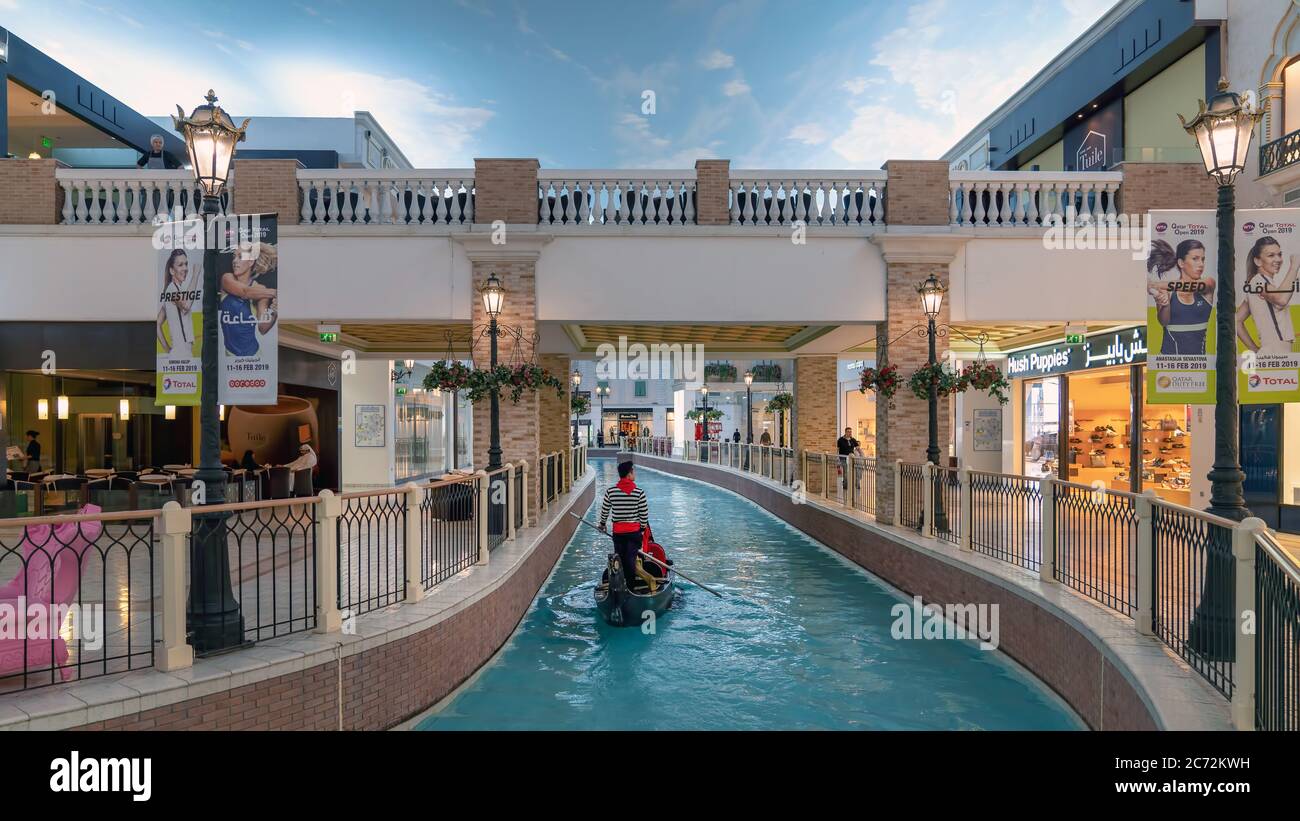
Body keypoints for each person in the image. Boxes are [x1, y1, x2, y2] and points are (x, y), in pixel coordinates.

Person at [597, 457, 654, 591]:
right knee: (631, 561)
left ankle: (621, 588)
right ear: (629, 474)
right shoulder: (639, 493)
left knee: (620, 560)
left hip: (618, 533)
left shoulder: (611, 492)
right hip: (634, 533)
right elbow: (644, 515)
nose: (635, 474)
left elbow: (605, 510)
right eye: (633, 472)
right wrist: (641, 530)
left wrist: (602, 524)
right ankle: (631, 588)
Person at [1237, 236, 1300, 357]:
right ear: (1258, 261)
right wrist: (1294, 266)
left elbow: (1237, 320)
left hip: (1273, 353)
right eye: (1271, 255)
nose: (1278, 259)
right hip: (1276, 352)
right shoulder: (1258, 282)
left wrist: (1255, 350)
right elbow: (1282, 299)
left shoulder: (1260, 283)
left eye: (1279, 254)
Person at [1148, 239, 1212, 355]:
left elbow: (1190, 286)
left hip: (1199, 364)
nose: (1201, 264)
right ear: (1181, 263)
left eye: (1203, 259)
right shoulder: (1166, 291)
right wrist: (1165, 305)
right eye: (1195, 259)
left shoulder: (1209, 283)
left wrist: (1156, 285)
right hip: (1170, 362)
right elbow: (1163, 322)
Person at [219, 244, 279, 356]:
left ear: (251, 262)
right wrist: (275, 293)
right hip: (229, 357)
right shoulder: (227, 278)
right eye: (234, 257)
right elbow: (245, 292)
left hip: (253, 356)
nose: (235, 261)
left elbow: (262, 328)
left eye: (240, 257)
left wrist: (275, 311)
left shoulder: (260, 290)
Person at [157, 249, 198, 359]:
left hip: (180, 352)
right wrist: (195, 275)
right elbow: (186, 306)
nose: (185, 268)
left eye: (186, 264)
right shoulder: (172, 289)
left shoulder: (174, 290)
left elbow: (157, 324)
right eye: (180, 265)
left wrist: (169, 350)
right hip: (181, 353)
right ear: (171, 270)